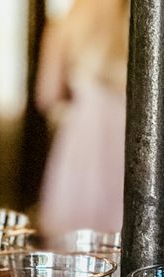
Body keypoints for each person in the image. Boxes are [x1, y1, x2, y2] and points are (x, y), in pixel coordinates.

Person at [35, 0, 129, 237]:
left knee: (75, 240)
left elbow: (47, 95)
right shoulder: (140, 21)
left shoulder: (67, 23)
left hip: (85, 134)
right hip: (130, 135)